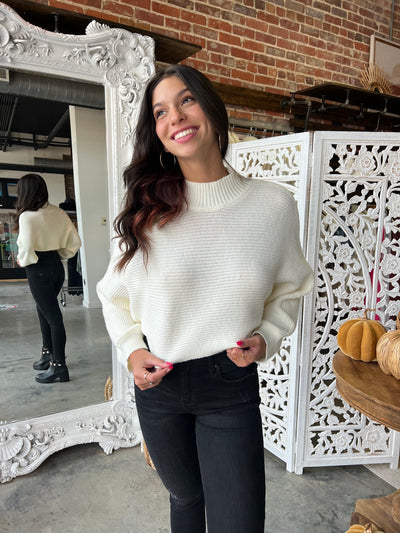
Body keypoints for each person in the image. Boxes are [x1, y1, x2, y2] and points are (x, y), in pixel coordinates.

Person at [97, 64, 314, 533]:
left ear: (212, 110)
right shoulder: (144, 213)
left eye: (186, 100)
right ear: (156, 132)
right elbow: (113, 296)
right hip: (160, 386)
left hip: (228, 383)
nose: (175, 116)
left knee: (239, 522)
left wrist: (267, 336)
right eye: (160, 112)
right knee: (186, 498)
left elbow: (291, 287)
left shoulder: (273, 206)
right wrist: (132, 350)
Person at [14, 173, 81, 383]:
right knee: (44, 310)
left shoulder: (27, 216)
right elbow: (74, 242)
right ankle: (47, 354)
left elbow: (26, 248)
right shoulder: (58, 212)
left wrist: (23, 260)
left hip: (37, 268)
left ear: (24, 193)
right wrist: (59, 255)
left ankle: (59, 366)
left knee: (53, 317)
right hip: (56, 265)